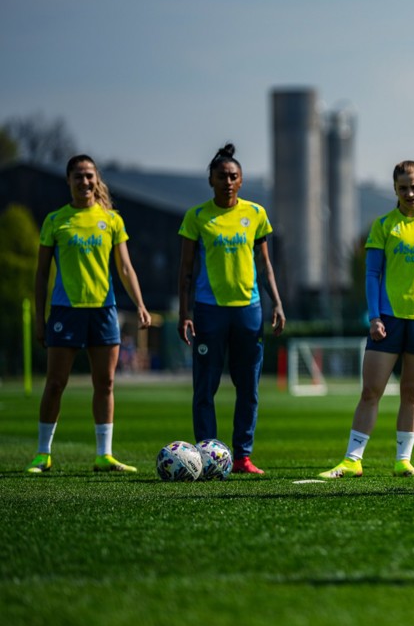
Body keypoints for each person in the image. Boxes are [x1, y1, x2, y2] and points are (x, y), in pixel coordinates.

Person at [319, 160, 414, 479]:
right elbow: (371, 274)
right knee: (371, 391)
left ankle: (403, 461)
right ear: (395, 190)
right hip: (389, 320)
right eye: (402, 188)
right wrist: (375, 317)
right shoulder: (384, 226)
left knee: (413, 393)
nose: (409, 192)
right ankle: (352, 460)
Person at [26, 154, 152, 474]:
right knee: (55, 383)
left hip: (104, 311)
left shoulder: (111, 220)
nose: (85, 182)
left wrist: (139, 304)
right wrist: (40, 318)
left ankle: (104, 455)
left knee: (106, 383)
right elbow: (41, 274)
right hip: (66, 312)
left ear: (97, 180)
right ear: (68, 181)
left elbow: (124, 267)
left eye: (89, 176)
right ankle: (43, 454)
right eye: (78, 176)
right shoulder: (56, 221)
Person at [178, 143, 285, 475]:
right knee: (205, 386)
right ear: (210, 179)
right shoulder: (196, 217)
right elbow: (185, 271)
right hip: (209, 312)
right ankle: (208, 457)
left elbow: (266, 266)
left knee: (248, 387)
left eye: (233, 176)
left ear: (242, 181)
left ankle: (242, 457)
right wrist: (185, 313)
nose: (228, 181)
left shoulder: (255, 214)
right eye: (222, 176)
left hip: (248, 311)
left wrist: (277, 303)